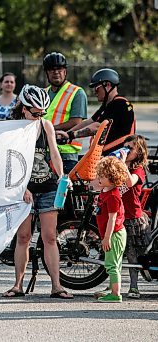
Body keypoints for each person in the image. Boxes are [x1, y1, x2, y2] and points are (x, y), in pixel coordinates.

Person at [2, 84, 73, 300]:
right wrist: (22, 188)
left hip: (48, 186)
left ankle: (56, 286)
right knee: (23, 237)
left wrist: (62, 176)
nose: (39, 116)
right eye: (35, 112)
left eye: (42, 112)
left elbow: (54, 154)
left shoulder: (46, 126)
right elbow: (8, 162)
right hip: (25, 190)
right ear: (24, 108)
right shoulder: (13, 129)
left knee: (50, 236)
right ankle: (17, 285)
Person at [56, 68, 135, 156]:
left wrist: (72, 135)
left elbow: (97, 127)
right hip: (108, 156)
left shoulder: (120, 104)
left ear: (108, 85)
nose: (94, 92)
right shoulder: (108, 104)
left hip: (117, 158)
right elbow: (90, 121)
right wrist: (66, 134)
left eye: (97, 88)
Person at [42, 52, 88, 174]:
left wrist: (49, 130)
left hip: (66, 153)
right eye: (51, 69)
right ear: (46, 72)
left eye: (59, 69)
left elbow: (76, 122)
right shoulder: (44, 93)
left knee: (62, 190)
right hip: (45, 151)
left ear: (65, 71)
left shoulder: (77, 93)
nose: (56, 72)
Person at [92, 156, 128, 302]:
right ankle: (113, 290)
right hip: (114, 233)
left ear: (112, 177)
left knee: (112, 265)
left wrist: (107, 237)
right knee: (115, 263)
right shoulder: (106, 190)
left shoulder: (113, 196)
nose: (99, 178)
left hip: (114, 234)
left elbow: (112, 218)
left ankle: (115, 293)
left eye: (103, 176)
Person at [120, 135, 151, 299]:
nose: (126, 150)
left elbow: (130, 182)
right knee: (118, 253)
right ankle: (114, 286)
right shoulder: (121, 166)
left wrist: (124, 163)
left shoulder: (138, 169)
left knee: (133, 255)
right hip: (119, 215)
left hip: (133, 217)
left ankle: (134, 286)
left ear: (139, 151)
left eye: (130, 148)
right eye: (124, 146)